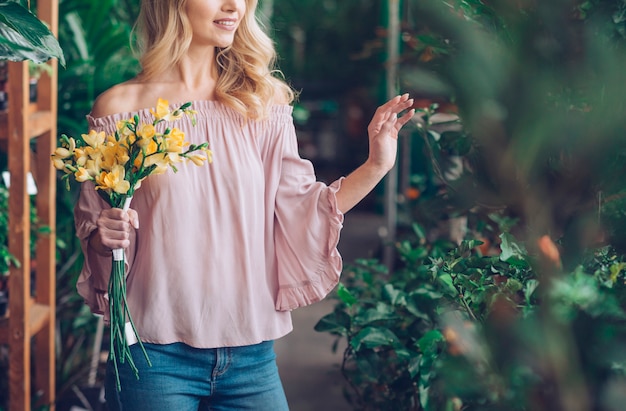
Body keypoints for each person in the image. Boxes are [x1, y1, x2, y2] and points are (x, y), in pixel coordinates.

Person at [74, 0, 415, 409]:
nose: (234, 6)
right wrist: (104, 236)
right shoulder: (121, 110)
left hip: (251, 358)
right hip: (152, 356)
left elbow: (304, 211)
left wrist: (377, 164)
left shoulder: (261, 103)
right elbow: (98, 233)